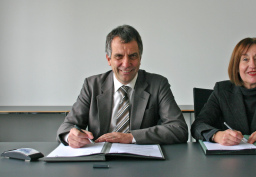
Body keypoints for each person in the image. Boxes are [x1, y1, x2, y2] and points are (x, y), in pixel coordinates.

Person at [57, 25, 188, 148]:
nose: (126, 64)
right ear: (109, 60)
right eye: (119, 56)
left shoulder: (158, 84)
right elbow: (67, 126)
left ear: (140, 58)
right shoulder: (92, 85)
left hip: (143, 162)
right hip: (100, 159)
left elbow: (179, 128)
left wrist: (131, 137)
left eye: (133, 56)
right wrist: (70, 136)